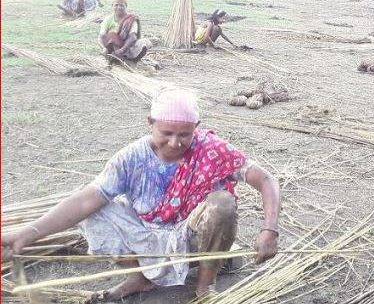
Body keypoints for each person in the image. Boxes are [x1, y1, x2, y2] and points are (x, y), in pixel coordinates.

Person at [2, 89, 281, 300]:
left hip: (190, 232)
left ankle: (205, 284)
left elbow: (266, 179)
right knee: (94, 208)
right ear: (150, 123)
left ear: (196, 127)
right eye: (167, 132)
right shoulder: (131, 157)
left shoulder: (213, 149)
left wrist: (270, 229)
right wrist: (28, 234)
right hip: (145, 231)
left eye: (185, 134)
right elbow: (87, 198)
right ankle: (140, 276)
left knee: (223, 203)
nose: (175, 142)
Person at [99, 0, 148, 64]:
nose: (119, 7)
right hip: (113, 47)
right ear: (112, 6)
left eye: (122, 5)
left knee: (144, 43)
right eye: (116, 5)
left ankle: (132, 60)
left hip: (128, 47)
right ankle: (114, 57)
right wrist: (104, 48)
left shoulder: (131, 19)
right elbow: (102, 35)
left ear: (126, 6)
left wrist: (122, 50)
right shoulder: (108, 19)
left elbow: (133, 37)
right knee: (112, 35)